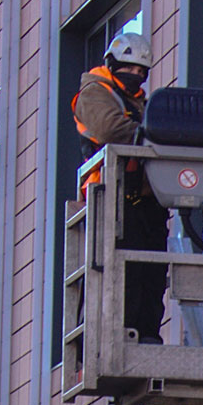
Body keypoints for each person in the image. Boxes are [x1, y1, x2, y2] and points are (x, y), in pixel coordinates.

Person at [73, 31, 170, 343]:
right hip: (110, 197)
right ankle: (105, 339)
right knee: (115, 274)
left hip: (146, 200)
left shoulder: (142, 104)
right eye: (129, 68)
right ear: (113, 64)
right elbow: (110, 129)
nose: (135, 75)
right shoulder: (94, 93)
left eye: (141, 71)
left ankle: (146, 336)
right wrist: (154, 135)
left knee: (150, 275)